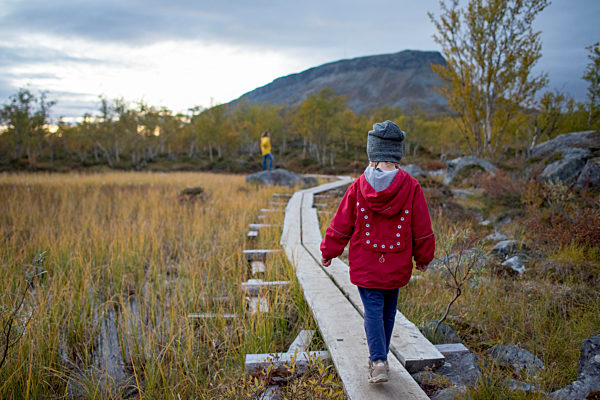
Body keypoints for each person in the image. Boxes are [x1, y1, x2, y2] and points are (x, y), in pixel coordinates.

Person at [320, 120, 435, 384]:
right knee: (388, 310)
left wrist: (329, 250)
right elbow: (422, 225)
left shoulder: (359, 186)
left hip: (366, 261)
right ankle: (380, 358)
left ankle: (378, 361)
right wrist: (424, 256)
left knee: (372, 309)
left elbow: (341, 223)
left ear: (373, 152)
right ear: (397, 153)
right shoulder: (411, 186)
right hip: (397, 260)